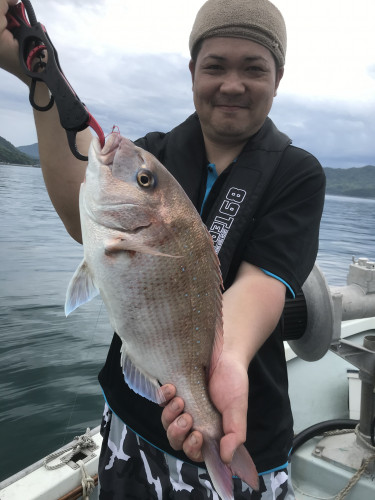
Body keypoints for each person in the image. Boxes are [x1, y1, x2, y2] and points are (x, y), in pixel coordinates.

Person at [0, 0, 326, 498]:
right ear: (193, 70)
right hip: (131, 427)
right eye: (214, 65)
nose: (232, 84)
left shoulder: (296, 174)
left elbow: (264, 282)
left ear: (278, 77)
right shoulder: (156, 152)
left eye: (254, 68)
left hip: (246, 430)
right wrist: (40, 79)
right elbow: (80, 216)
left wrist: (226, 362)